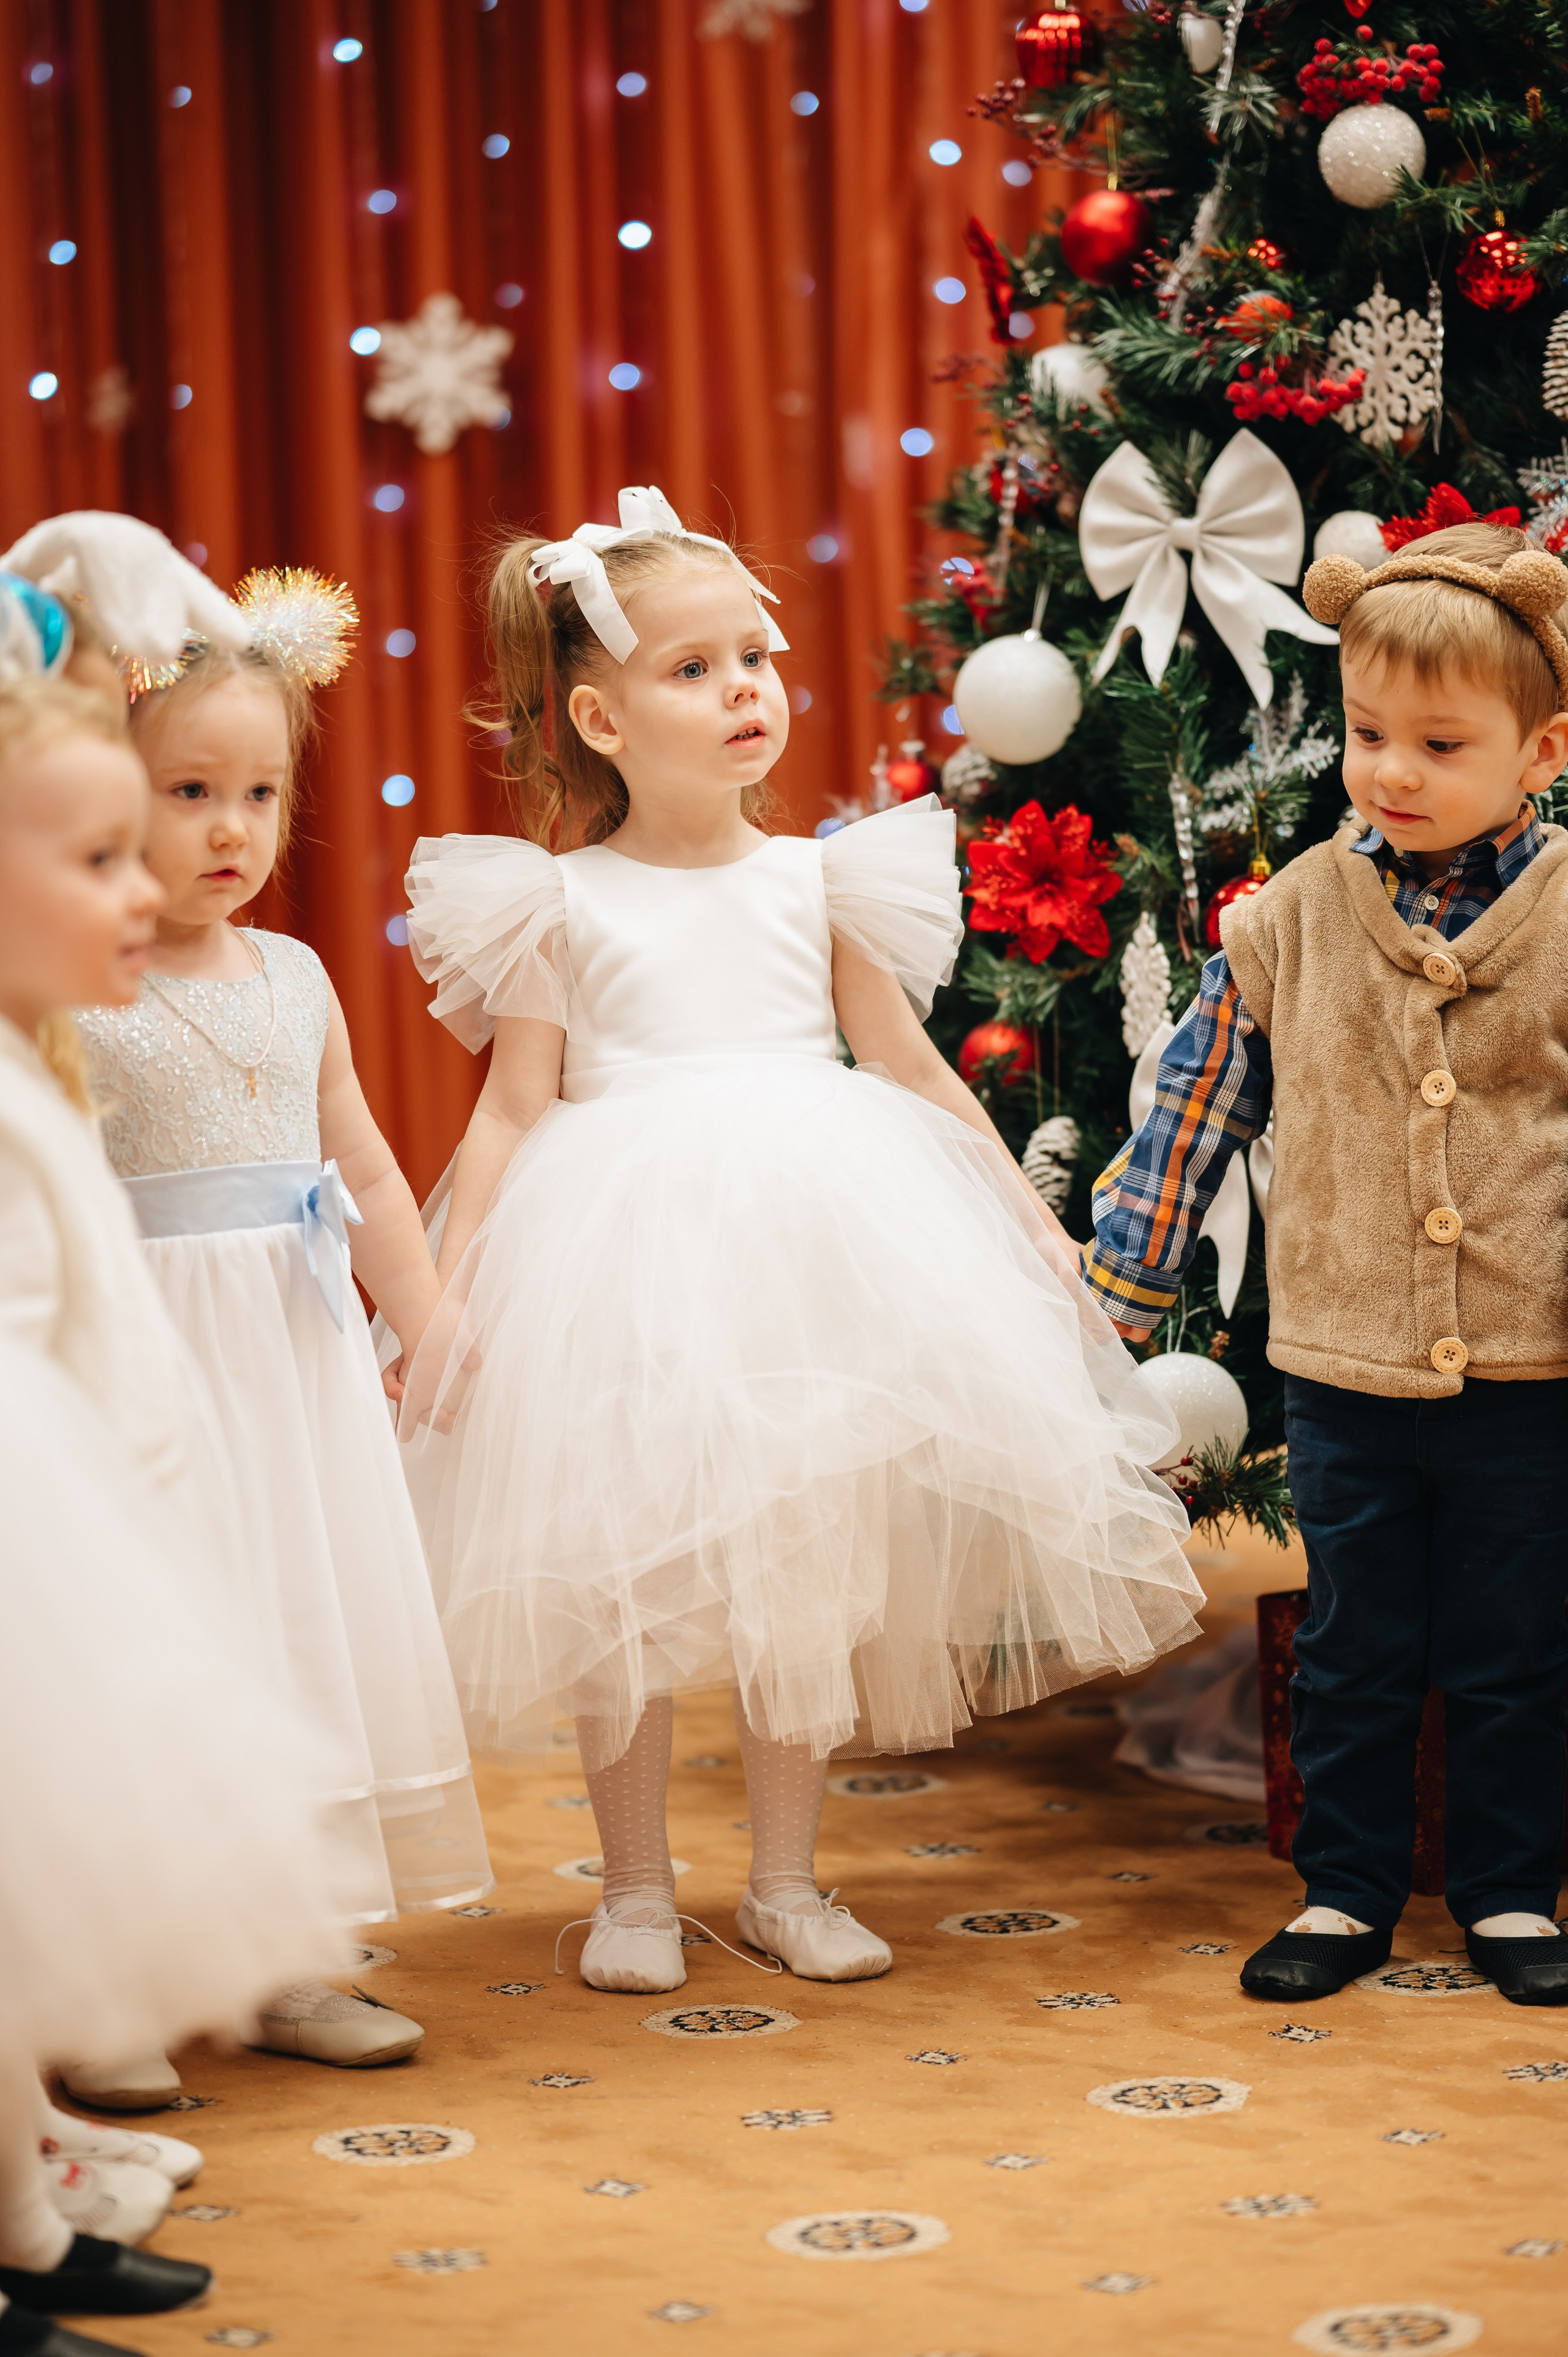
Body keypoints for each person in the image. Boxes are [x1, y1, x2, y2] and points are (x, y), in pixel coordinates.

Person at [390, 485, 1201, 1998]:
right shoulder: (556, 902)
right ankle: (631, 1892)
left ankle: (781, 1881)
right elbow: (508, 1112)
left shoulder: (820, 876)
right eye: (689, 670)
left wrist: (1021, 1218)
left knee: (801, 1562)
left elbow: (900, 1062)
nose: (739, 690)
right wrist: (440, 1296)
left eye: (750, 657)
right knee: (614, 1569)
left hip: (813, 1239)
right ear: (600, 718)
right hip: (615, 1253)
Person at [1083, 522, 1568, 2007]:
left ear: (1539, 749)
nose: (1390, 771)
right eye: (1365, 734)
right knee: (1351, 1650)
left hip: (1529, 1371)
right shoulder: (1286, 918)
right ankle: (1345, 1890)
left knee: (1511, 1654)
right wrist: (1116, 1300)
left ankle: (1503, 1893)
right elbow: (1189, 1110)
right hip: (1346, 1367)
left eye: (1438, 742)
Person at [72, 569, 491, 2097]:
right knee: (144, 1655)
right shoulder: (65, 986)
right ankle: (110, 1976)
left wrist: (426, 1310)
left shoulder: (297, 976)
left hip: (291, 1370)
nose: (231, 829)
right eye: (189, 791)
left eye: (256, 792)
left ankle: (284, 1954)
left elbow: (362, 1166)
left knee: (295, 1644)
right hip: (141, 1374)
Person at [0, 674, 348, 2356]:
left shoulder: (269, 987)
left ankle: (29, 2219)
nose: (158, 879)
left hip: (167, 1437)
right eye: (106, 851)